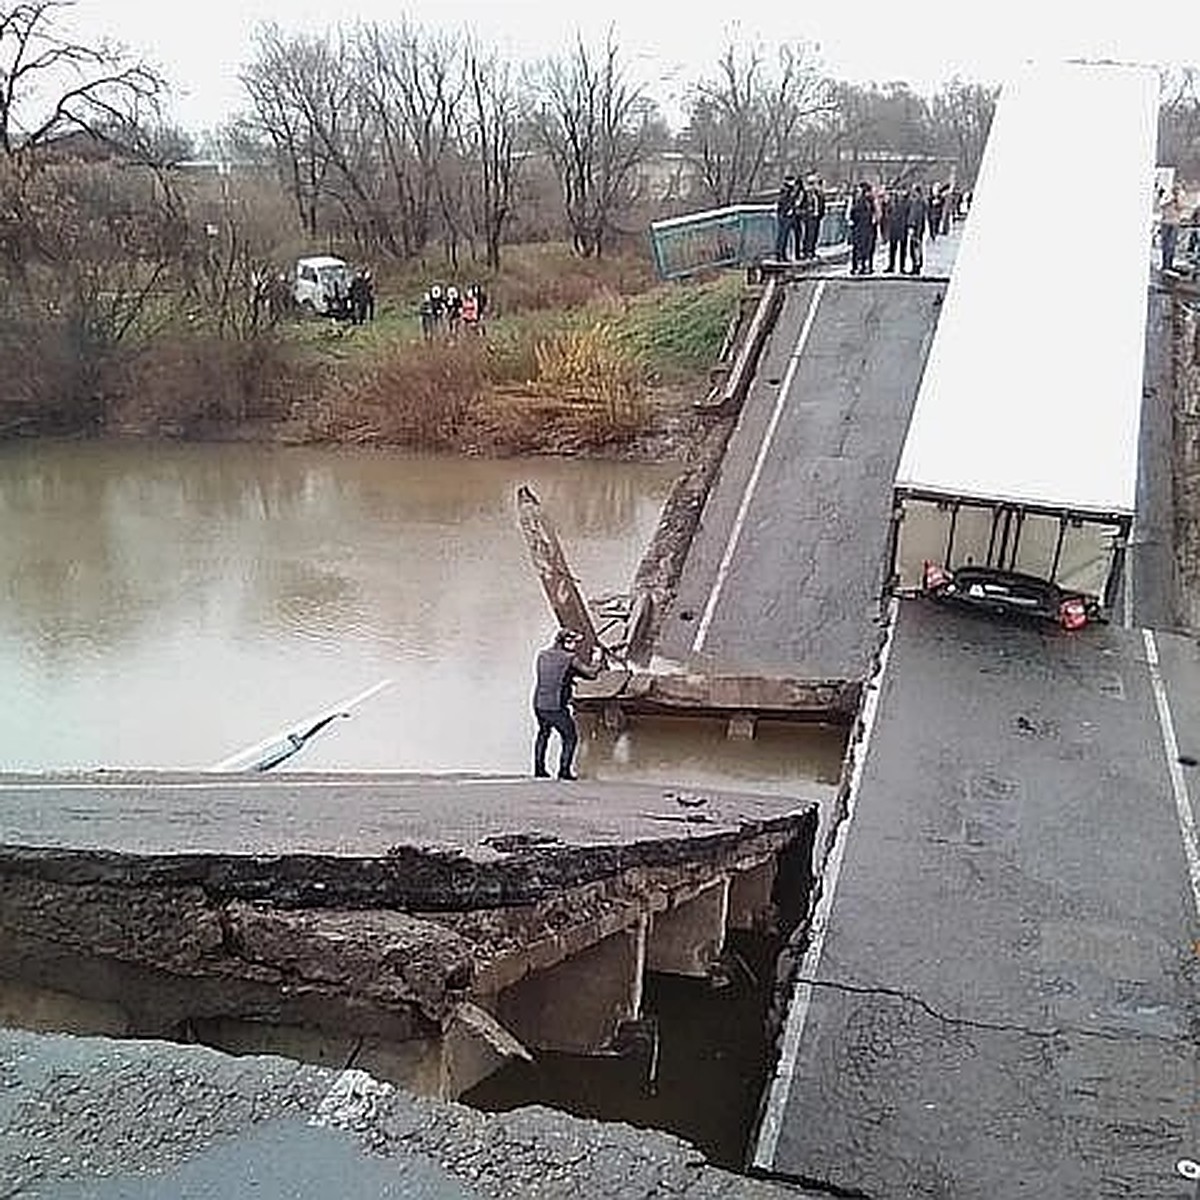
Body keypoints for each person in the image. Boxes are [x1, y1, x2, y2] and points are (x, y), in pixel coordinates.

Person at [532, 628, 601, 780]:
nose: (576, 646)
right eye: (574, 642)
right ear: (566, 642)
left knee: (543, 733)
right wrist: (597, 658)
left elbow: (554, 674)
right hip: (555, 705)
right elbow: (591, 674)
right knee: (570, 737)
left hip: (538, 702)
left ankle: (539, 769)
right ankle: (564, 772)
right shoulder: (569, 658)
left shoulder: (542, 655)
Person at [848, 181, 875, 276]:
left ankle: (861, 266)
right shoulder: (863, 201)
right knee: (861, 248)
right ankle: (860, 266)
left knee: (862, 248)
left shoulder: (865, 201)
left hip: (863, 227)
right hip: (862, 227)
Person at [801, 175, 827, 260]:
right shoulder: (806, 193)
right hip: (809, 216)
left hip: (817, 216)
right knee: (809, 234)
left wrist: (821, 213)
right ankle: (807, 251)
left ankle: (812, 251)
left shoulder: (818, 193)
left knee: (815, 234)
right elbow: (802, 204)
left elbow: (822, 203)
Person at [886, 185, 910, 274]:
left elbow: (909, 214)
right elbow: (888, 212)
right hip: (894, 227)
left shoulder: (907, 201)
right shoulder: (892, 201)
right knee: (892, 248)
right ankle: (891, 265)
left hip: (903, 227)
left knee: (903, 249)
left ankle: (902, 267)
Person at [1161, 184, 1185, 272]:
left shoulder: (1180, 197)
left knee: (1172, 245)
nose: (1176, 191)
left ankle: (1169, 265)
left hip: (1175, 223)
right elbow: (1162, 205)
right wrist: (1171, 200)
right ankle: (1164, 265)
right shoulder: (1166, 196)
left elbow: (1181, 208)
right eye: (1175, 189)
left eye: (1178, 189)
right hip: (1165, 222)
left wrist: (1178, 199)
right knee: (1165, 245)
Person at [774, 174, 798, 261]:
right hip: (785, 215)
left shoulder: (789, 190)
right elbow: (783, 202)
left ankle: (782, 254)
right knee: (782, 236)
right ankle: (780, 254)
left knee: (784, 236)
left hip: (787, 214)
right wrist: (788, 209)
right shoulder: (785, 190)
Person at [906, 184, 927, 275]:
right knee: (914, 248)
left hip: (916, 229)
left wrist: (912, 226)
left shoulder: (918, 203)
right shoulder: (918, 202)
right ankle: (916, 265)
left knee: (915, 248)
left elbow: (915, 216)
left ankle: (916, 266)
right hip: (917, 229)